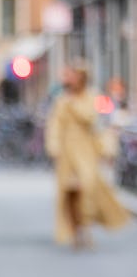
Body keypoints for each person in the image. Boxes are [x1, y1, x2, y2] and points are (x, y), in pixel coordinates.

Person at [45, 60, 130, 249]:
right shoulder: (62, 99)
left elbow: (93, 119)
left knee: (87, 188)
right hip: (67, 151)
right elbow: (55, 124)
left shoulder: (91, 96)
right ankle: (75, 230)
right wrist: (54, 146)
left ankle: (85, 226)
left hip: (85, 149)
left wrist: (106, 150)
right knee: (69, 193)